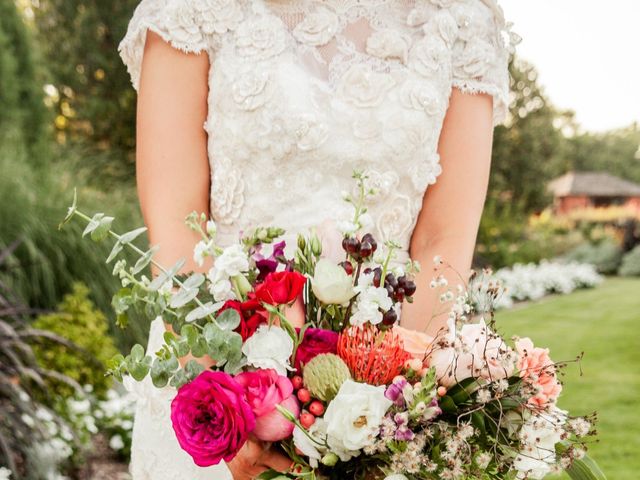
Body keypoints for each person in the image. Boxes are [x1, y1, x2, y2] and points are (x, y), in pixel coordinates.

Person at [118, 0, 517, 477]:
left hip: (385, 385)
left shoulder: (462, 19)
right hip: (213, 371)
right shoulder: (189, 10)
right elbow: (177, 226)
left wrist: (388, 418)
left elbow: (443, 242)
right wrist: (230, 416)